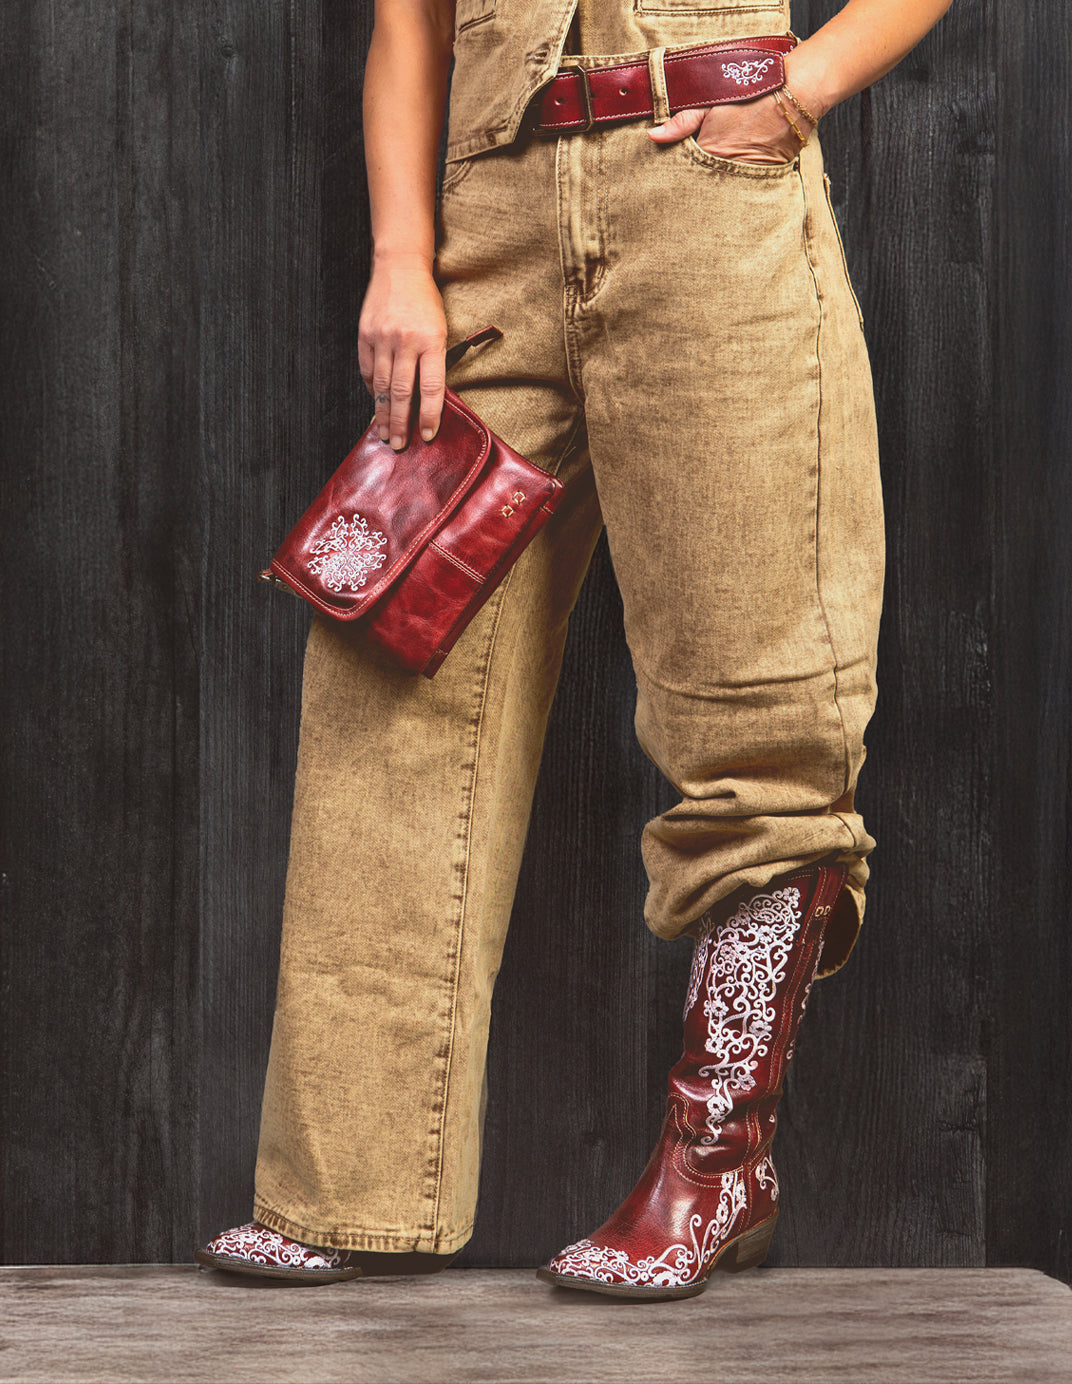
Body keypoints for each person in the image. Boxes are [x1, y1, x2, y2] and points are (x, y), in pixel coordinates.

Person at [195, 0, 953, 1301]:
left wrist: (805, 84)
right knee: (392, 684)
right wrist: (401, 257)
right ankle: (347, 1188)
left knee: (760, 709)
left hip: (711, 201)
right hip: (490, 228)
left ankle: (718, 1169)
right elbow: (408, 23)